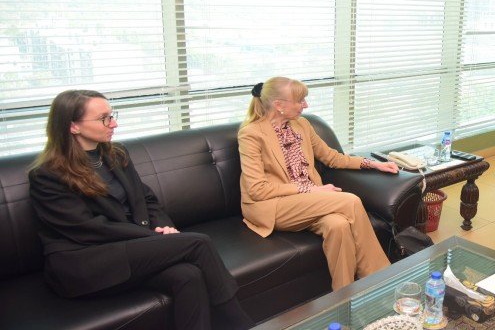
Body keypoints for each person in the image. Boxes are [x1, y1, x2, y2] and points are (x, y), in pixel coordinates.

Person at [28, 90, 253, 330]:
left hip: (131, 249)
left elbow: (146, 199)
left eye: (112, 115)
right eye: (104, 119)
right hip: (86, 262)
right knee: (198, 243)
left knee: (188, 275)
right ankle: (241, 324)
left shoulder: (116, 154)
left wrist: (164, 228)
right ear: (73, 126)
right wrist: (152, 238)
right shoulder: (48, 175)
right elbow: (88, 229)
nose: (113, 123)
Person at [238, 77, 396, 290]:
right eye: (300, 100)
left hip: (308, 201)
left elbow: (332, 157)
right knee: (350, 201)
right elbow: (257, 190)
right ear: (278, 105)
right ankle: (382, 282)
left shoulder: (302, 125)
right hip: (273, 204)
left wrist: (373, 164)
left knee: (338, 226)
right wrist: (311, 189)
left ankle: (344, 297)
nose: (305, 105)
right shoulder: (251, 134)